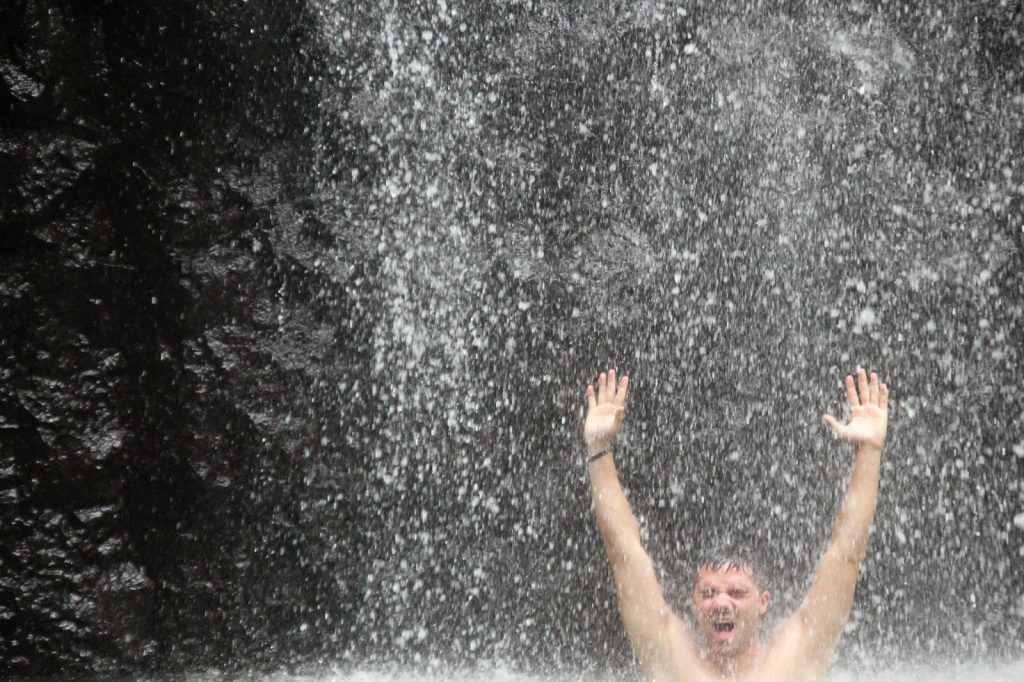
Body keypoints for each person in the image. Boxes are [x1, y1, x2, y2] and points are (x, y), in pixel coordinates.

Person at [583, 368, 889, 681]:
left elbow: (847, 553)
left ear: (763, 602)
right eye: (708, 592)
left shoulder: (793, 660)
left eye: (738, 592)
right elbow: (623, 553)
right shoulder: (673, 660)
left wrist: (869, 452)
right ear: (694, 603)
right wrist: (598, 449)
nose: (721, 603)